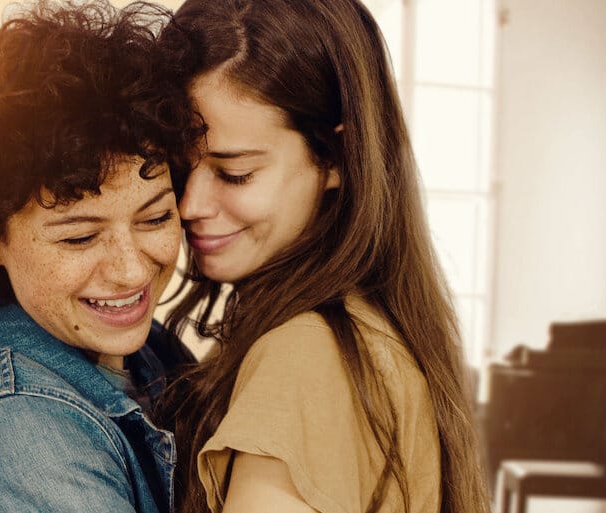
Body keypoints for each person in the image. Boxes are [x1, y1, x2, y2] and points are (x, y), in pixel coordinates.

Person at [155, 1, 491, 512]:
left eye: (236, 173)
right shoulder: (367, 332)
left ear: (335, 157)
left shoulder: (306, 355)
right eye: (181, 167)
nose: (189, 206)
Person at [0, 1, 200, 511]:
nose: (132, 269)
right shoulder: (13, 429)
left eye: (155, 218)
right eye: (78, 238)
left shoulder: (150, 351)